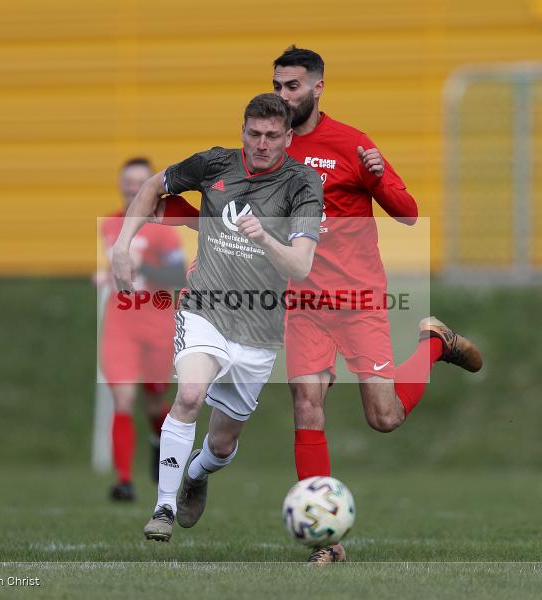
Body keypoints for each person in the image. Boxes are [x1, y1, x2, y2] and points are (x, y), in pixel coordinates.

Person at [160, 47, 483, 562]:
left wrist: (376, 177)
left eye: (293, 86)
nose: (284, 95)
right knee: (307, 406)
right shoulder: (268, 150)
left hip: (359, 301)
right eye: (277, 85)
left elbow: (407, 213)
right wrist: (173, 211)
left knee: (385, 418)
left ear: (317, 88)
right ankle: (326, 543)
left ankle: (433, 343)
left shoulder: (352, 145)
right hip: (301, 304)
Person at [111, 93, 323, 542]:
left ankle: (198, 473)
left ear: (288, 136)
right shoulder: (214, 165)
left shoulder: (303, 184)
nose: (261, 143)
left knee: (223, 444)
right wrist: (122, 246)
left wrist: (264, 237)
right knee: (189, 395)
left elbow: (300, 267)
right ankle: (164, 508)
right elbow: (152, 187)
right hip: (204, 306)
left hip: (260, 328)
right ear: (242, 130)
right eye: (253, 133)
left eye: (271, 136)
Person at [96, 157, 187, 502]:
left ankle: (157, 438)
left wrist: (143, 265)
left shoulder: (162, 228)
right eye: (127, 181)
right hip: (121, 324)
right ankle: (124, 481)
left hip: (157, 324)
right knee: (123, 398)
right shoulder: (109, 225)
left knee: (154, 404)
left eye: (139, 181)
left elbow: (178, 278)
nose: (132, 187)